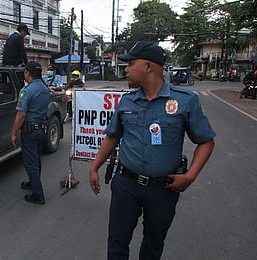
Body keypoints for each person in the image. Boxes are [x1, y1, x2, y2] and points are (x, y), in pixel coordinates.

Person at [88, 41, 215, 259]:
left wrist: (190, 176)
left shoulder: (185, 101)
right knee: (117, 242)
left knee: (153, 245)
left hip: (163, 190)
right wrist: (94, 167)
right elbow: (112, 135)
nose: (125, 69)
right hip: (126, 185)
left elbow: (206, 141)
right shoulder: (127, 101)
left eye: (130, 64)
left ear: (148, 66)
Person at [11, 61, 49, 205]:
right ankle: (33, 183)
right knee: (36, 159)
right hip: (41, 129)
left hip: (30, 131)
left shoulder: (26, 91)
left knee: (30, 162)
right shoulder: (45, 89)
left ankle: (38, 195)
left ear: (27, 73)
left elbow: (21, 115)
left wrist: (14, 133)